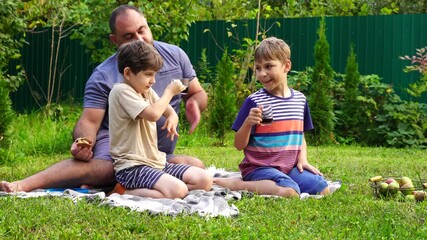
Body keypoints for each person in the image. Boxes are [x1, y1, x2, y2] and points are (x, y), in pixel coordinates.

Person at [0, 5, 208, 193]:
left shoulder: (175, 56)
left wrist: (193, 103)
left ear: (148, 26)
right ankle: (25, 184)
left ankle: (115, 185)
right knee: (107, 169)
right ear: (114, 40)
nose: (139, 39)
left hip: (154, 151)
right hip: (120, 150)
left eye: (141, 30)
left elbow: (197, 93)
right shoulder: (105, 76)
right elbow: (90, 121)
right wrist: (83, 142)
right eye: (128, 36)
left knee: (195, 165)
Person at [214, 37, 331, 197]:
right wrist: (248, 123)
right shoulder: (254, 101)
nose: (262, 74)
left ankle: (283, 180)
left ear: (286, 66)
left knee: (322, 188)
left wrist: (302, 160)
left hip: (289, 167)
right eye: (258, 68)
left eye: (268, 66)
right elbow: (238, 145)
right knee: (290, 191)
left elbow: (300, 134)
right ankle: (238, 184)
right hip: (259, 168)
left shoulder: (300, 100)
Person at [109, 40, 211, 198]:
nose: (153, 80)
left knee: (204, 180)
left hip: (156, 162)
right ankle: (122, 191)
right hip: (132, 167)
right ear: (128, 73)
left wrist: (173, 117)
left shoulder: (146, 91)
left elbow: (167, 111)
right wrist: (170, 92)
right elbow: (153, 114)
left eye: (154, 74)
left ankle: (163, 189)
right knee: (178, 191)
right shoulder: (121, 91)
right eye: (148, 74)